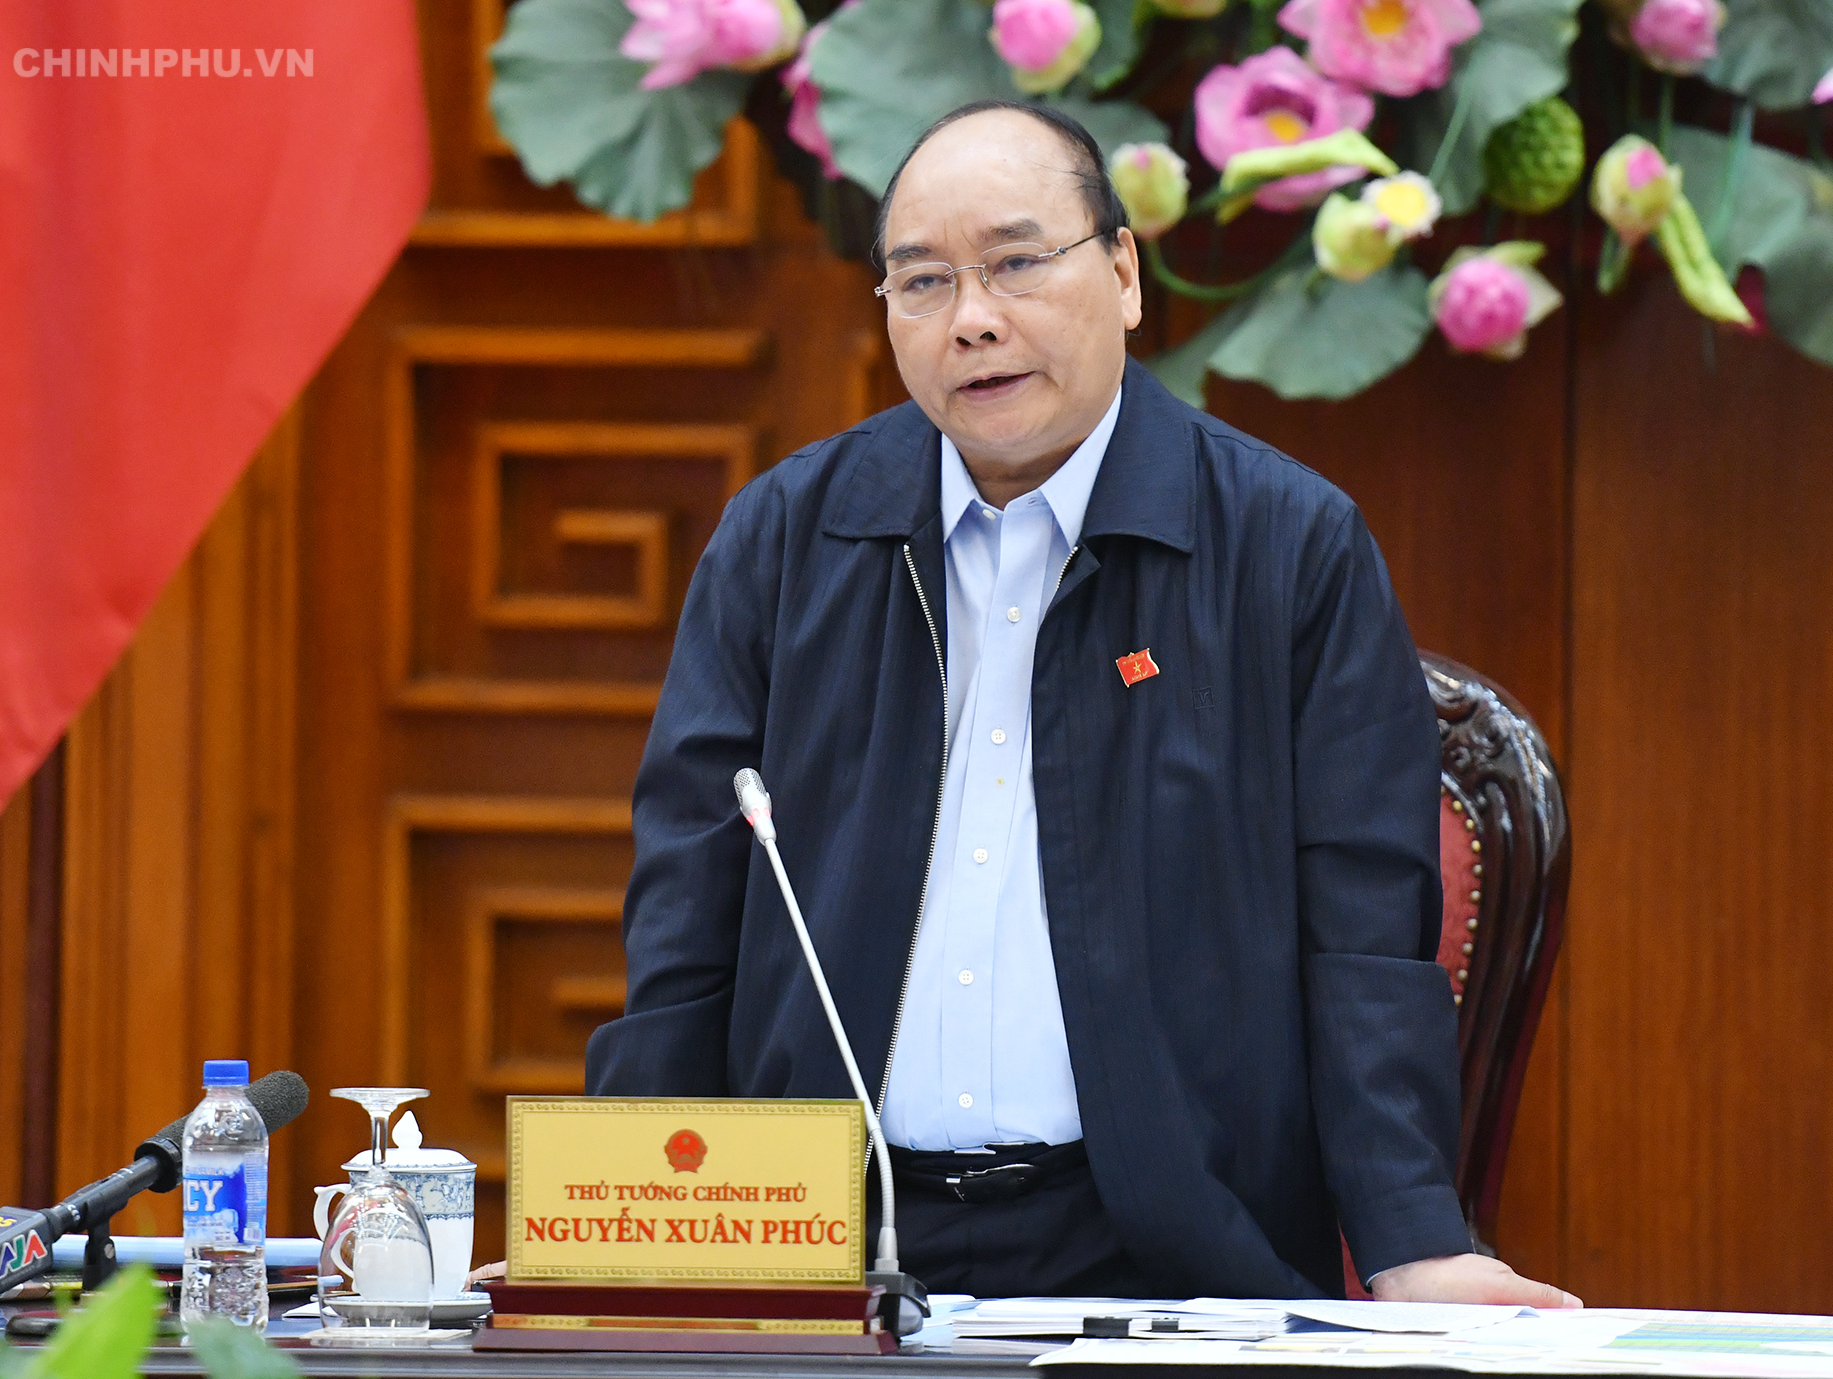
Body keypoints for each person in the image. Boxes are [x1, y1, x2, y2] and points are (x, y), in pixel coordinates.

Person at [586, 98, 1577, 1307]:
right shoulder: (786, 538)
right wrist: (624, 1235)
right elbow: (685, 917)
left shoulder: (1284, 545)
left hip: (1165, 1253)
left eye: (1015, 263)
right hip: (824, 1249)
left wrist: (1411, 1238)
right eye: (923, 282)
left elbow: (1362, 935)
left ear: (1121, 274)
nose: (972, 319)